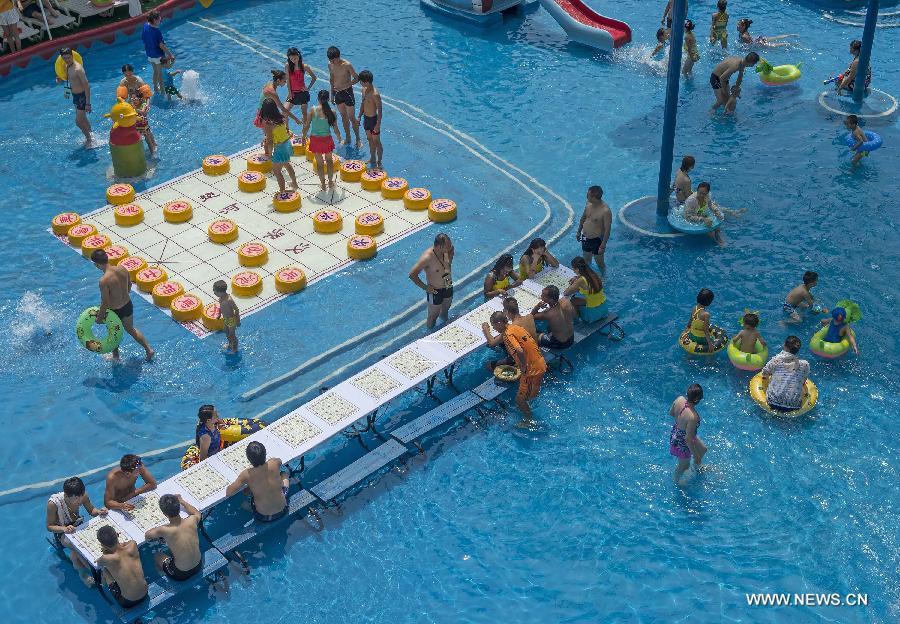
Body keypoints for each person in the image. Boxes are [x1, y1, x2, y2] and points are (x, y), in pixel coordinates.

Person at [486, 311, 547, 428]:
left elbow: (519, 350)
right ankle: (530, 398)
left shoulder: (508, 335)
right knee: (529, 394)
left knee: (520, 400)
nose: (494, 328)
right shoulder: (514, 327)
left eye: (494, 326)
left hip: (532, 370)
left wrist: (523, 366)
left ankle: (529, 421)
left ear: (499, 323)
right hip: (539, 362)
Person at [91, 249, 154, 361]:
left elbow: (105, 302)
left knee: (113, 333)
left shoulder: (103, 281)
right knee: (131, 329)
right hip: (127, 305)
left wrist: (100, 317)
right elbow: (129, 285)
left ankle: (116, 357)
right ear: (107, 258)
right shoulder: (122, 269)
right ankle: (149, 349)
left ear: (97, 264)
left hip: (114, 311)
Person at [46, 477, 107, 585]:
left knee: (79, 550)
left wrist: (99, 511)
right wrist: (64, 529)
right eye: (75, 499)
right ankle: (96, 572)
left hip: (78, 525)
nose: (79, 502)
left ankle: (82, 572)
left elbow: (92, 511)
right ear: (66, 496)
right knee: (76, 546)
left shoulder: (82, 495)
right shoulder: (53, 504)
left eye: (80, 498)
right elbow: (49, 526)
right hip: (62, 531)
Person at [225, 441, 289, 523]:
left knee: (245, 493)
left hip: (263, 516)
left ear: (248, 459)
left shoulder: (246, 474)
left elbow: (229, 492)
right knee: (284, 474)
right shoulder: (274, 463)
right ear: (265, 454)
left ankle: (250, 507)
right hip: (283, 510)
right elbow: (279, 461)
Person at [144, 494, 202, 581]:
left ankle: (164, 572)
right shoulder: (192, 520)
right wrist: (182, 501)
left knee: (157, 556)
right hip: (198, 566)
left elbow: (147, 535)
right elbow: (196, 512)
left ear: (164, 514)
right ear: (178, 508)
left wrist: (163, 527)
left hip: (180, 573)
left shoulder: (164, 530)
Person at [408, 233, 454, 329]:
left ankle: (445, 328)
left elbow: (450, 254)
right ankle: (430, 333)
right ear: (439, 247)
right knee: (433, 316)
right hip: (435, 291)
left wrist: (448, 263)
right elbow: (412, 274)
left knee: (445, 311)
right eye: (447, 247)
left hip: (448, 285)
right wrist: (426, 287)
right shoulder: (427, 258)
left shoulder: (449, 250)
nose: (450, 248)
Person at [96, 525, 148, 609]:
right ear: (117, 535)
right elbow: (126, 544)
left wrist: (106, 551)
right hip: (145, 593)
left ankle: (104, 588)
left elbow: (98, 563)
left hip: (128, 601)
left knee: (104, 571)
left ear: (102, 545)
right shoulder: (132, 545)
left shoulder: (106, 558)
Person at [302, 89, 342, 191]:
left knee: (319, 164)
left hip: (315, 140)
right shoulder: (332, 112)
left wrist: (303, 137)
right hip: (327, 139)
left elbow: (307, 126)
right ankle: (330, 182)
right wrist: (339, 138)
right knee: (329, 161)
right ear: (328, 99)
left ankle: (323, 184)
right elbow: (335, 128)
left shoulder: (313, 110)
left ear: (318, 99)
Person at [668, 384, 707, 484]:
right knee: (684, 465)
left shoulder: (679, 399)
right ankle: (676, 481)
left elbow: (671, 413)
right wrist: (696, 456)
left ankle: (697, 468)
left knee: (703, 450)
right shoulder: (693, 417)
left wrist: (681, 422)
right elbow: (687, 439)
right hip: (682, 440)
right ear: (697, 400)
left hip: (679, 431)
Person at [761, 336, 811, 412]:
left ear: (784, 345)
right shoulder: (805, 365)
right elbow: (803, 381)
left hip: (773, 402)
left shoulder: (776, 360)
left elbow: (764, 373)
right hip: (794, 405)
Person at [254, 70, 299, 156]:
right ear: (278, 81)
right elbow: (283, 109)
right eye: (284, 81)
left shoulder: (269, 83)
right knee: (268, 136)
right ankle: (268, 155)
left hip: (266, 111)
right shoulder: (272, 92)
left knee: (268, 135)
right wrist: (295, 119)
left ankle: (269, 153)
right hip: (264, 115)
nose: (285, 83)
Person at [260, 99, 298, 194]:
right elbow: (279, 132)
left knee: (276, 171)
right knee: (287, 164)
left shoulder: (268, 124)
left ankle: (282, 191)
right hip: (287, 144)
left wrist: (269, 154)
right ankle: (294, 183)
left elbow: (270, 142)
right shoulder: (281, 117)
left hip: (280, 148)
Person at [327, 46, 361, 148]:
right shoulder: (330, 64)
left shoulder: (347, 65)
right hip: (337, 93)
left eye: (333, 60)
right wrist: (331, 94)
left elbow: (357, 78)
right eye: (330, 60)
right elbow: (331, 79)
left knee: (351, 117)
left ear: (338, 57)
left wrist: (344, 86)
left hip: (347, 93)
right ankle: (348, 137)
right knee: (343, 116)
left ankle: (358, 139)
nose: (332, 62)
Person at [58, 48, 93, 146]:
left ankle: (89, 140)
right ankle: (91, 134)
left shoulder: (78, 69)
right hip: (75, 96)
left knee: (78, 122)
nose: (67, 60)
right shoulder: (67, 66)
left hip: (82, 97)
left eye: (68, 57)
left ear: (72, 56)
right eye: (64, 58)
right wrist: (60, 80)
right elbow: (70, 79)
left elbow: (87, 86)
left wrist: (88, 104)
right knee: (83, 119)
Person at [576, 185, 612, 274]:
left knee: (599, 262)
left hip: (597, 240)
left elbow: (607, 230)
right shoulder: (588, 204)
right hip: (585, 237)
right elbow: (583, 218)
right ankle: (588, 275)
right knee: (586, 260)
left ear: (594, 197)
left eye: (587, 194)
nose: (586, 196)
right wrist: (579, 231)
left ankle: (603, 277)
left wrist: (603, 246)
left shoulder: (605, 211)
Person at [564, 257, 607, 323]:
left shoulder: (580, 281)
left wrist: (575, 282)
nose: (573, 270)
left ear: (577, 269)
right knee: (577, 300)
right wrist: (577, 278)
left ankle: (576, 321)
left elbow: (566, 293)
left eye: (573, 269)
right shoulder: (593, 273)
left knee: (570, 301)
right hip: (603, 307)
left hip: (593, 314)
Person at [531, 285, 575, 350]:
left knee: (534, 336)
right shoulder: (566, 301)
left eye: (543, 295)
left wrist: (538, 306)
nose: (541, 296)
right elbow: (573, 315)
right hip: (571, 338)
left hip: (560, 343)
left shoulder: (548, 313)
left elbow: (531, 316)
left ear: (551, 300)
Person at [142, 10, 173, 95]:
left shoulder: (145, 25)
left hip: (149, 53)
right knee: (160, 75)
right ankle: (163, 92)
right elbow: (161, 45)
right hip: (157, 55)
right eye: (159, 19)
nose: (160, 21)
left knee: (155, 71)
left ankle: (155, 88)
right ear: (154, 20)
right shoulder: (157, 31)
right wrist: (170, 54)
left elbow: (143, 38)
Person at [358, 69, 383, 169]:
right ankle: (372, 158)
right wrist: (359, 116)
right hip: (366, 119)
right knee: (369, 139)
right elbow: (363, 104)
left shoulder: (375, 94)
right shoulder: (363, 90)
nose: (360, 83)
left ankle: (379, 162)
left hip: (373, 120)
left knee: (377, 142)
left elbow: (380, 111)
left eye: (361, 81)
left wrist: (378, 125)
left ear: (366, 82)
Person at [284, 47, 316, 121]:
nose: (293, 61)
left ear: (298, 55)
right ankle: (287, 127)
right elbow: (288, 80)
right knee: (284, 111)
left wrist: (308, 88)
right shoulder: (287, 66)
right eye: (291, 59)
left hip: (303, 93)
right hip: (292, 93)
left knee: (304, 114)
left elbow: (314, 78)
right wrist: (289, 92)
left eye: (295, 58)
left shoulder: (304, 66)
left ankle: (304, 129)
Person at [213, 279, 240, 353]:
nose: (214, 292)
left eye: (214, 291)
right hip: (225, 318)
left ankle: (235, 349)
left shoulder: (229, 300)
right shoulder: (220, 299)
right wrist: (219, 314)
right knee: (226, 331)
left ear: (220, 292)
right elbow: (221, 307)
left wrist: (238, 321)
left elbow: (236, 310)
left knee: (232, 335)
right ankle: (230, 344)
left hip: (232, 320)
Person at [131, 85, 156, 155]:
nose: (133, 101)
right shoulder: (132, 106)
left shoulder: (143, 105)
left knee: (148, 139)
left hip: (144, 126)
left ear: (140, 99)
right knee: (138, 139)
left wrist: (135, 109)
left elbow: (143, 112)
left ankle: (153, 152)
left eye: (135, 99)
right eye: (132, 99)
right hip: (136, 126)